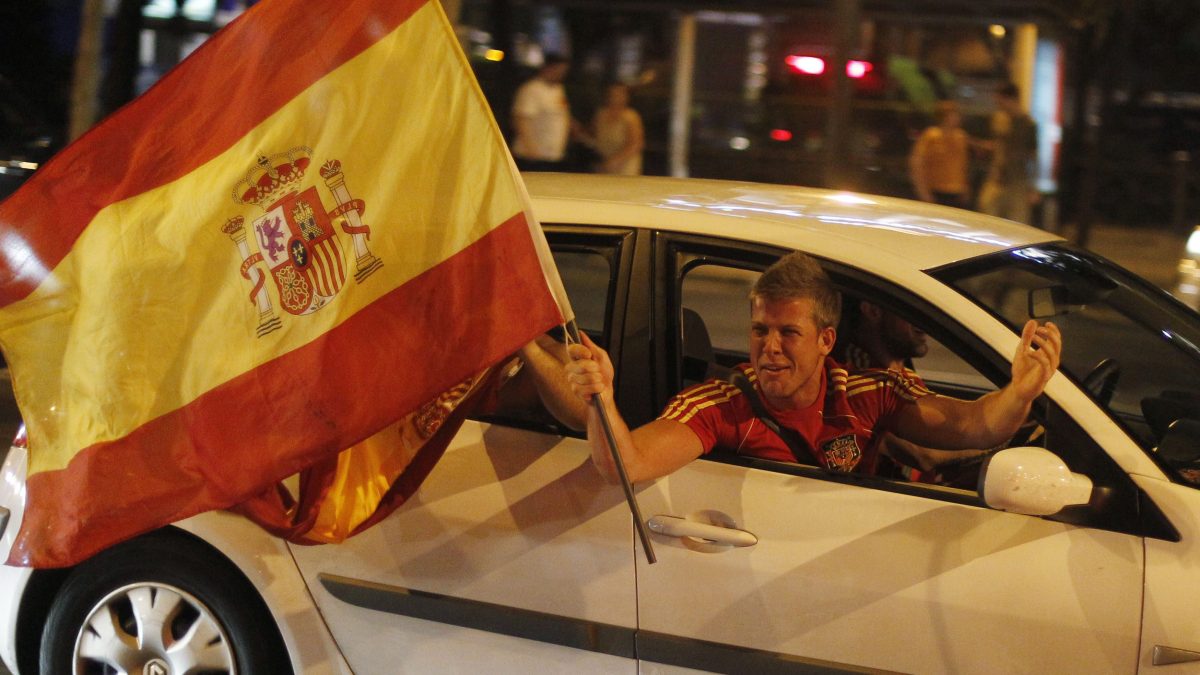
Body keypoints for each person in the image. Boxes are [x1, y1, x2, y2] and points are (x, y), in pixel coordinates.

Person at [565, 251, 1061, 484]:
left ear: (826, 339)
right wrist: (602, 399)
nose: (770, 348)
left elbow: (976, 425)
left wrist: (1020, 391)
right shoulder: (720, 406)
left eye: (788, 333)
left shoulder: (872, 393)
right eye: (760, 330)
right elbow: (624, 465)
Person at [836, 300, 987, 481]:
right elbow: (923, 454)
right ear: (873, 310)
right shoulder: (855, 377)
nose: (924, 324)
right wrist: (995, 441)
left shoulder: (904, 374)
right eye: (910, 311)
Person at [978, 82, 1038, 224]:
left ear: (1011, 99)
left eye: (1001, 101)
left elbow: (1033, 156)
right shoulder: (1000, 120)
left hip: (1018, 181)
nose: (999, 105)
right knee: (989, 219)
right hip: (997, 179)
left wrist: (1033, 187)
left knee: (1017, 223)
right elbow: (998, 148)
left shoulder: (1027, 124)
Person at [510, 55, 579, 172]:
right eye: (559, 70)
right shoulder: (531, 89)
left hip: (554, 156)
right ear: (548, 68)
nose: (561, 74)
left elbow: (561, 114)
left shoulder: (558, 89)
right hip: (532, 156)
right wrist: (531, 149)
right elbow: (521, 120)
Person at [909, 100, 971, 207]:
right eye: (953, 114)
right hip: (936, 189)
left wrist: (965, 187)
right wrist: (923, 191)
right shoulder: (931, 135)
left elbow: (962, 165)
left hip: (956, 191)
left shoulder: (961, 137)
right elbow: (917, 163)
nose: (957, 118)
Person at [586, 83, 644, 175]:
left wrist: (616, 160)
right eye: (612, 94)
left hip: (625, 165)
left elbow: (636, 144)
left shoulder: (631, 116)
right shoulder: (601, 114)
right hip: (604, 163)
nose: (615, 97)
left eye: (620, 94)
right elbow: (592, 136)